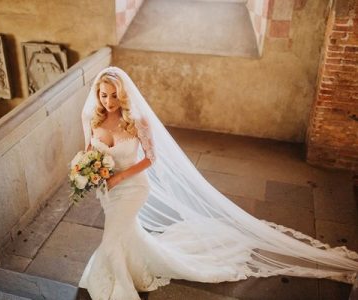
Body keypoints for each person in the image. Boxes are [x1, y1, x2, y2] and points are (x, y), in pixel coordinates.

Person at [78, 66, 358, 300]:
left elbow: (151, 158)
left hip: (133, 187)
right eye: (104, 95)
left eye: (114, 95)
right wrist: (88, 172)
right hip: (108, 190)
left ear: (123, 94)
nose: (109, 101)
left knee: (114, 233)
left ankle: (116, 283)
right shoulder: (94, 120)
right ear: (97, 95)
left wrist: (120, 177)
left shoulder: (136, 121)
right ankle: (135, 262)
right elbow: (90, 153)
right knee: (125, 232)